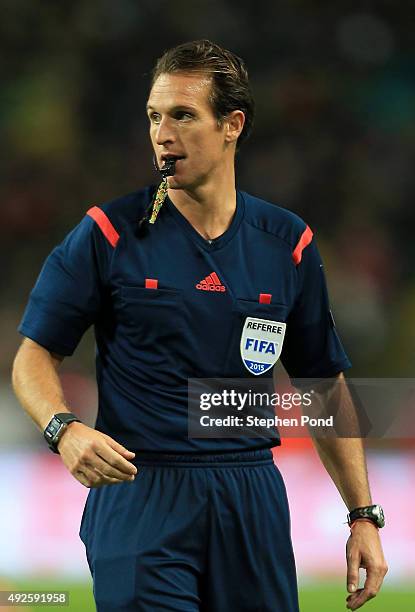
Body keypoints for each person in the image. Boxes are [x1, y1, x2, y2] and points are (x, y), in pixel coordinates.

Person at [12, 39, 387, 611]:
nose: (163, 133)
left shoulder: (286, 243)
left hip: (251, 493)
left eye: (184, 115)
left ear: (232, 124)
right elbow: (32, 357)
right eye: (154, 116)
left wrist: (362, 514)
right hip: (142, 492)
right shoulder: (109, 233)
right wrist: (63, 428)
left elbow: (323, 387)